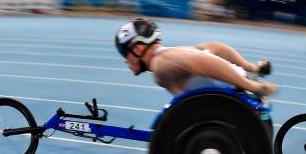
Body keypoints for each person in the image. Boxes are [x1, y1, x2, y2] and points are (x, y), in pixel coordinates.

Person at [114, 18, 277, 97]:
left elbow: (202, 62)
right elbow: (214, 47)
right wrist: (250, 68)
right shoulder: (171, 53)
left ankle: (250, 76)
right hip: (232, 81)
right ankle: (252, 70)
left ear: (138, 48)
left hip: (232, 88)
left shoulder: (159, 64)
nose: (125, 61)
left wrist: (252, 86)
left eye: (124, 53)